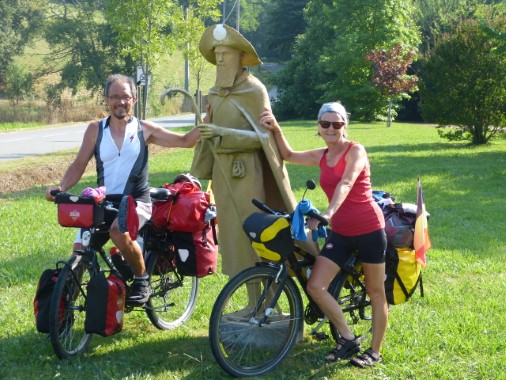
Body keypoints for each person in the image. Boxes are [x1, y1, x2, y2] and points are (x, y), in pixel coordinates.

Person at [46, 74, 200, 305]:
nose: (120, 102)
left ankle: (142, 279)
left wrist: (208, 120)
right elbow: (79, 165)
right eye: (115, 97)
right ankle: (63, 313)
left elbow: (185, 141)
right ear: (107, 100)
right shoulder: (95, 130)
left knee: (118, 230)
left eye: (125, 97)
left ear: (134, 99)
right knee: (79, 252)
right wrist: (61, 187)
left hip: (137, 201)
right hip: (104, 202)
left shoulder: (144, 129)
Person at [192, 24, 318, 299]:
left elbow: (264, 137)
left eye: (225, 53)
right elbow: (210, 132)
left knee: (257, 234)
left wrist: (222, 134)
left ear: (240, 56)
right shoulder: (214, 93)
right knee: (235, 240)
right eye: (217, 54)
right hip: (223, 175)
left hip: (249, 173)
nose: (221, 58)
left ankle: (271, 299)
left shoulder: (254, 90)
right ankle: (252, 302)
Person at [259, 102, 388, 368]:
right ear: (318, 127)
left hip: (369, 230)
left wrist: (327, 212)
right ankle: (348, 338)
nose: (331, 128)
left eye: (337, 124)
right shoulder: (321, 155)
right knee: (316, 286)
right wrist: (276, 128)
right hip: (341, 232)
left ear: (345, 127)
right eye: (325, 124)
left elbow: (347, 182)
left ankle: (375, 352)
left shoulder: (356, 151)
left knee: (376, 292)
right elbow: (289, 155)